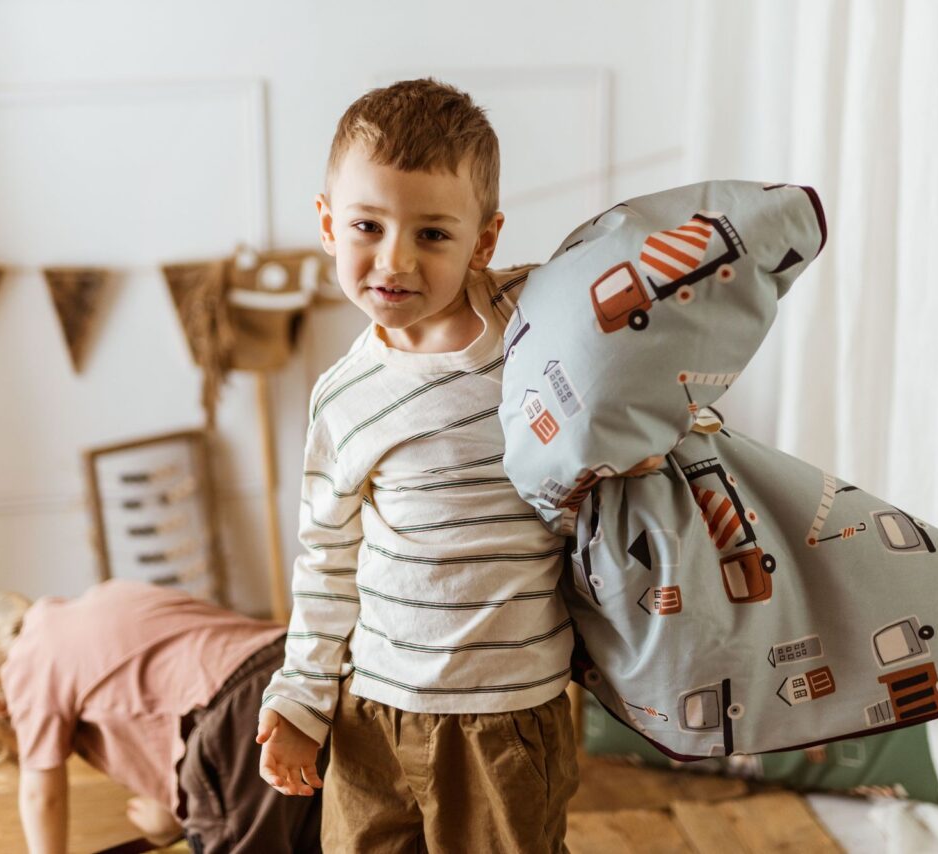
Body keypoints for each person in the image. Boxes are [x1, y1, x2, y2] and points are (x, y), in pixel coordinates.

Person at [256, 78, 579, 853]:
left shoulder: (536, 325)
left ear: (484, 241)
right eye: (367, 226)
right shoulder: (344, 397)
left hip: (507, 710)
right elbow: (327, 560)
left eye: (433, 234)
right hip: (373, 707)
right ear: (328, 225)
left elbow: (649, 333)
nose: (394, 259)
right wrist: (302, 698)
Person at [0, 579, 323, 854]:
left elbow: (41, 796)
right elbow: (167, 696)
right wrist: (175, 819)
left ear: (0, 707)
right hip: (296, 673)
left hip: (229, 720)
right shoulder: (104, 599)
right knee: (315, 825)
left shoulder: (25, 665)